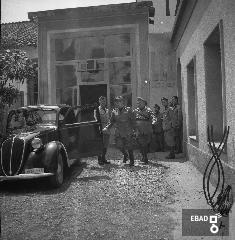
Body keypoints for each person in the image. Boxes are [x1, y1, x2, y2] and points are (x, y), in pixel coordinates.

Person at [103, 96, 136, 167]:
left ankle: (132, 161)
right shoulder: (114, 111)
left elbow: (133, 121)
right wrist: (107, 127)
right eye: (116, 102)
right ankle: (125, 155)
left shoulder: (128, 110)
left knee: (129, 147)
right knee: (119, 145)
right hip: (119, 132)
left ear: (123, 102)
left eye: (119, 101)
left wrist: (135, 130)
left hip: (128, 132)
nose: (118, 103)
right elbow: (111, 122)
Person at [134, 97, 157, 164]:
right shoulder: (136, 110)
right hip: (138, 130)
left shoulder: (148, 110)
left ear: (144, 103)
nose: (138, 104)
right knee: (140, 144)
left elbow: (153, 117)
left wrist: (154, 121)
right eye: (138, 103)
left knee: (144, 144)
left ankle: (145, 157)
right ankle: (144, 156)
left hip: (146, 129)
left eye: (140, 103)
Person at [94, 96, 110, 165]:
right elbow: (96, 120)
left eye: (104, 101)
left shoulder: (107, 110)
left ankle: (103, 158)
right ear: (99, 102)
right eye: (102, 101)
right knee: (100, 144)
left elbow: (109, 119)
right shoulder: (97, 110)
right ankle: (99, 159)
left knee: (106, 144)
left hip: (107, 128)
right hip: (100, 128)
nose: (103, 102)